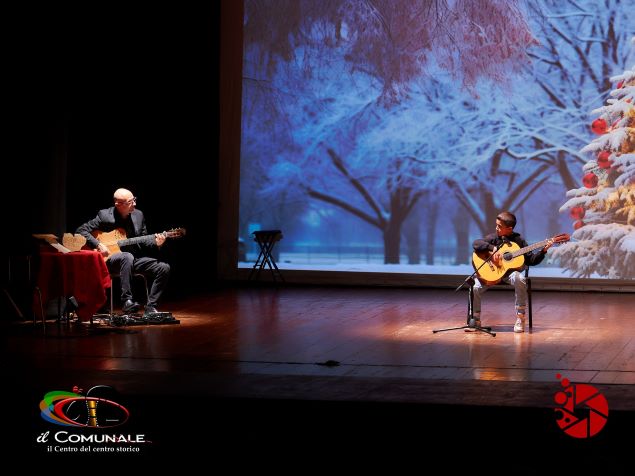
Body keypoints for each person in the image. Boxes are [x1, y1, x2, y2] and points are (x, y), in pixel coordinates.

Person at [76, 188, 170, 316]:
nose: (135, 204)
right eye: (131, 202)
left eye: (134, 200)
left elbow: (144, 240)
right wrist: (98, 244)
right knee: (127, 256)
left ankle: (151, 307)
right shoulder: (105, 216)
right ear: (118, 204)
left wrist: (157, 243)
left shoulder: (139, 215)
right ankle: (127, 301)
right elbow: (81, 230)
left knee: (163, 267)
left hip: (132, 260)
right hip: (109, 260)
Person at [471, 211, 552, 333]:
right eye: (496, 225)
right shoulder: (494, 238)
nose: (496, 228)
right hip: (492, 274)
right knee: (475, 287)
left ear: (509, 229)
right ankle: (475, 320)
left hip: (509, 275)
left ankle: (520, 317)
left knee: (519, 278)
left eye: (499, 226)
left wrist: (543, 251)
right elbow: (476, 243)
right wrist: (492, 249)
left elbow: (531, 260)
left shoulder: (519, 241)